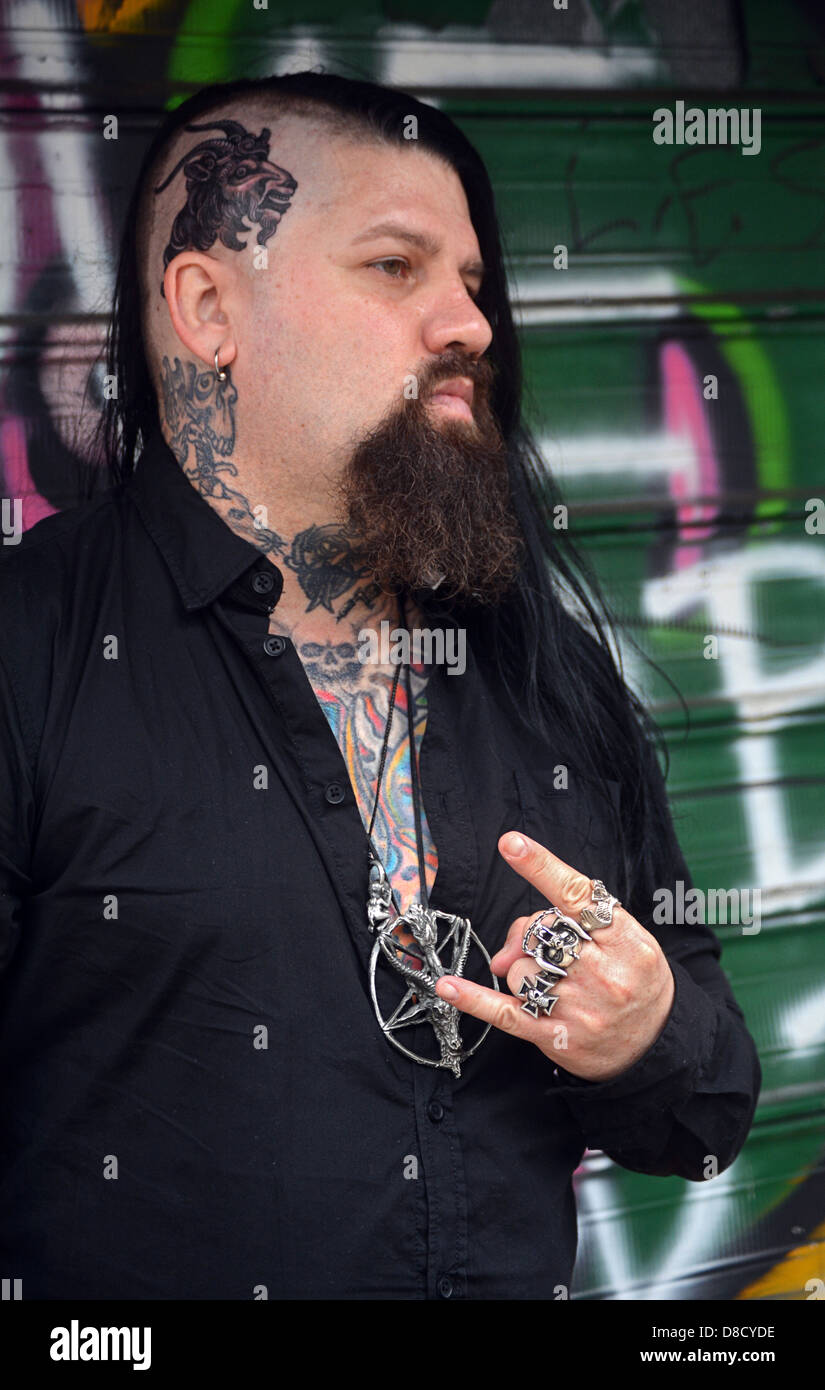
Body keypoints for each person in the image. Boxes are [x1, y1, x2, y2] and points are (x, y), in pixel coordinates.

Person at [0, 71, 760, 1301]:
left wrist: (642, 1034)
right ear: (207, 307)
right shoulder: (34, 652)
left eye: (469, 281)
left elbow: (710, 1110)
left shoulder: (543, 673)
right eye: (397, 267)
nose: (469, 324)